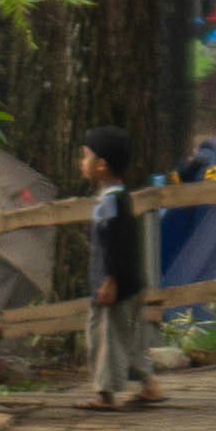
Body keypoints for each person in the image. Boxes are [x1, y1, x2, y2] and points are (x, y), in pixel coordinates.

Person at [73, 126, 160, 412]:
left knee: (105, 338)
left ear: (101, 166)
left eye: (85, 157)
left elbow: (112, 243)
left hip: (114, 284)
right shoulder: (120, 197)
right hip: (130, 281)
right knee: (129, 338)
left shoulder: (109, 202)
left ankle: (105, 393)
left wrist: (109, 280)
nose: (80, 162)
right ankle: (149, 384)